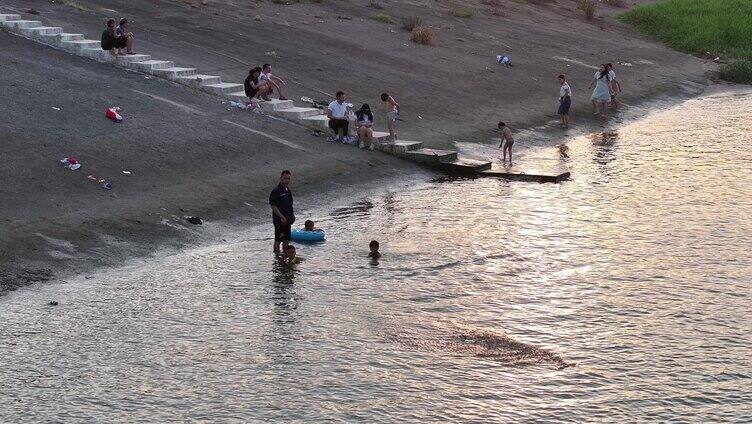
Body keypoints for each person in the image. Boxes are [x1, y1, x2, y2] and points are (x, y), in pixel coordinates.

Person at [269, 170, 295, 255]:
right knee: (278, 240)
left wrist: (292, 216)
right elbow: (273, 206)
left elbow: (290, 205)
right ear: (280, 178)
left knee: (286, 239)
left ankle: (285, 256)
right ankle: (276, 257)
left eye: (288, 179)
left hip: (288, 220)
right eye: (285, 178)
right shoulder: (276, 191)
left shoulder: (288, 190)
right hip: (279, 221)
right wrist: (281, 217)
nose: (287, 180)